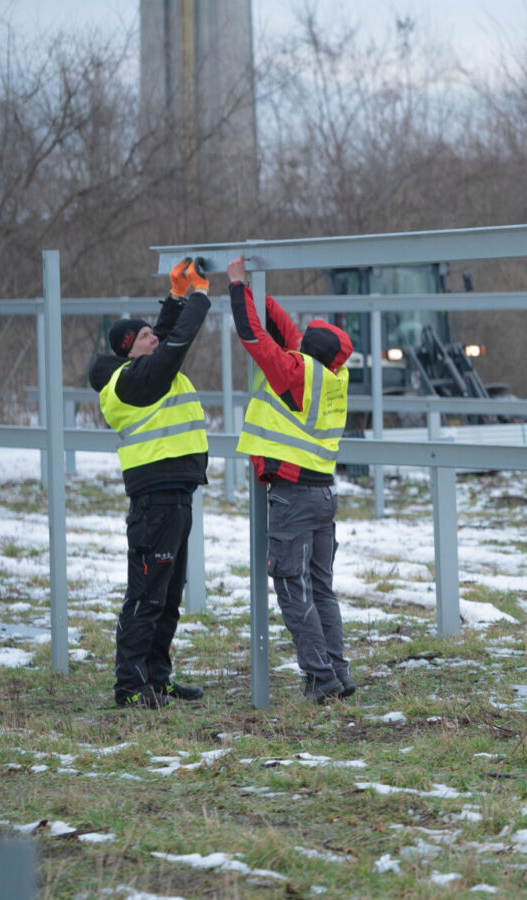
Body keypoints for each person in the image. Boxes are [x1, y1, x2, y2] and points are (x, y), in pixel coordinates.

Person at [226, 255, 356, 704]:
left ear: (308, 350)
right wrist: (256, 290)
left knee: (290, 586)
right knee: (320, 588)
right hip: (321, 495)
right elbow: (282, 328)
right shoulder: (332, 377)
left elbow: (254, 336)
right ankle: (338, 671)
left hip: (294, 498)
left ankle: (320, 679)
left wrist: (238, 287)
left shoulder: (297, 374)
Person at [89, 258, 211, 709]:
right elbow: (176, 341)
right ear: (129, 350)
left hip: (175, 499)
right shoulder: (137, 381)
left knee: (167, 597)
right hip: (155, 504)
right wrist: (199, 295)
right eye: (143, 336)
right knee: (145, 597)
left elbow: (162, 334)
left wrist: (176, 295)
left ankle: (157, 679)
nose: (154, 337)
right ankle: (131, 686)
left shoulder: (143, 368)